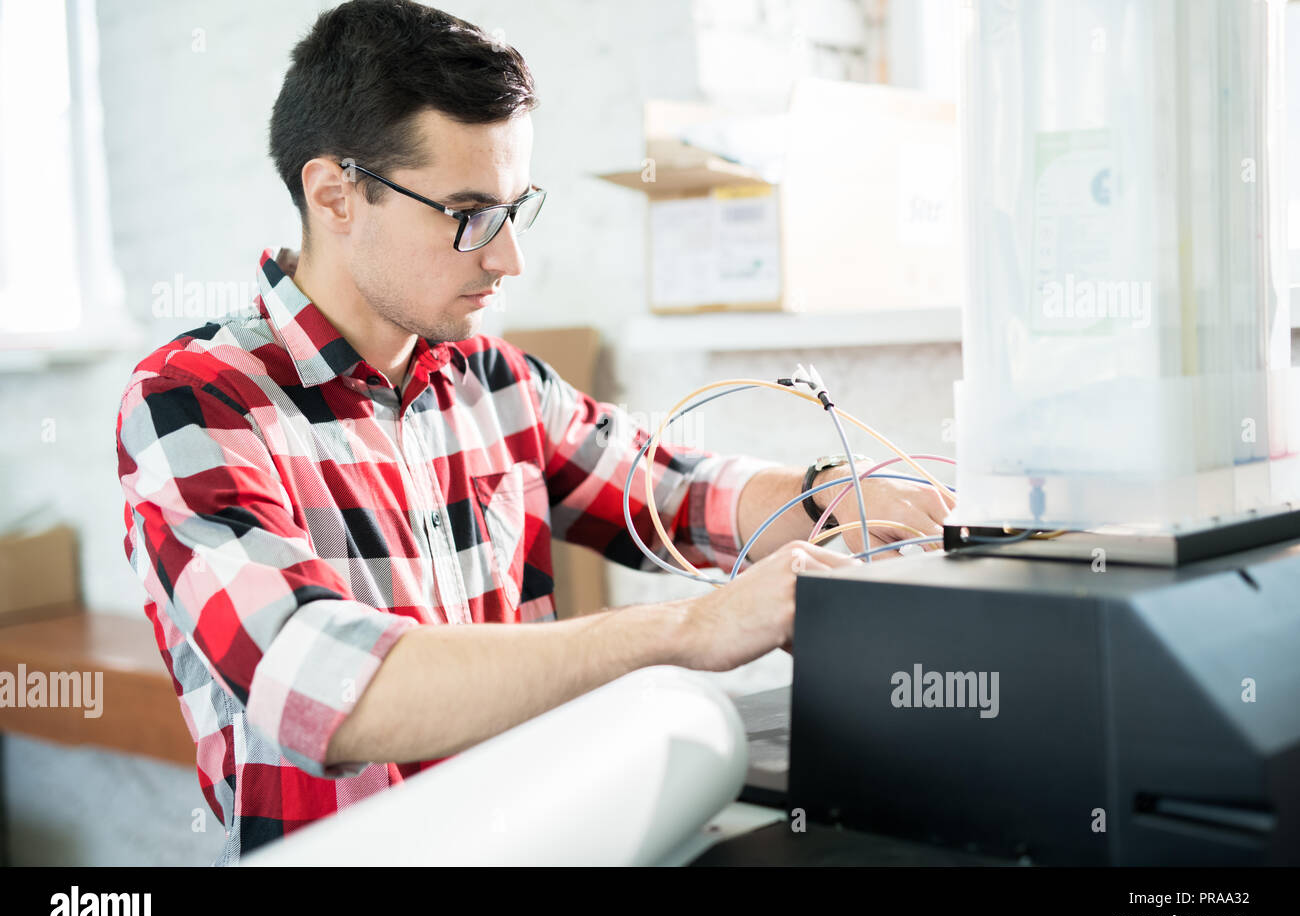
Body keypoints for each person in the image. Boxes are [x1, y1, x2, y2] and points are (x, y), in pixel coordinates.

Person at [114, 0, 950, 864]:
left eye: (518, 209)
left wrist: (839, 499)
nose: (508, 258)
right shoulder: (196, 403)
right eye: (471, 213)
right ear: (335, 195)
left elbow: (675, 490)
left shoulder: (494, 381)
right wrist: (685, 629)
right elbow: (324, 684)